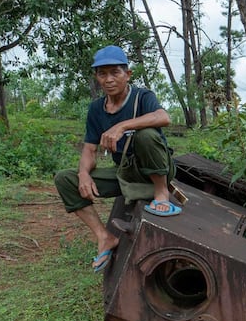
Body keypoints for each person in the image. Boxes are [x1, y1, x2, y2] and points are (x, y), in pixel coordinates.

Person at [54, 45, 181, 273]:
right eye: (102, 74)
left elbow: (163, 117)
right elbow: (89, 149)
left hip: (156, 168)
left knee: (146, 134)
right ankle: (104, 237)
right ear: (96, 77)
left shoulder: (142, 97)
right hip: (126, 173)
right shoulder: (96, 109)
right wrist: (83, 174)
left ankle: (161, 193)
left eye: (115, 72)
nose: (109, 79)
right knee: (65, 179)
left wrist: (122, 126)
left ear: (127, 74)